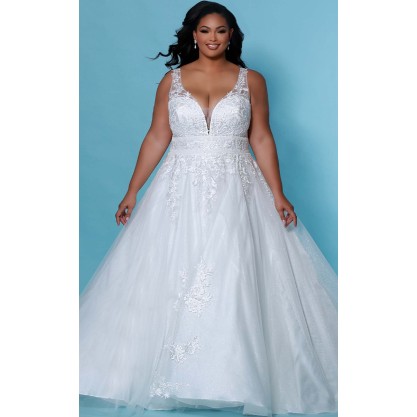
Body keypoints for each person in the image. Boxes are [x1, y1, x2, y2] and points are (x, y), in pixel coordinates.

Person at [79, 2, 338, 416]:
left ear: (231, 35)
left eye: (221, 30)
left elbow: (261, 137)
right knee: (174, 269)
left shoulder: (252, 81)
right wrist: (132, 190)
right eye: (205, 30)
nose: (213, 38)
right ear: (193, 35)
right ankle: (172, 374)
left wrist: (278, 193)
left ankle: (232, 376)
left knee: (233, 275)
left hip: (237, 188)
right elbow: (157, 136)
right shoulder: (172, 81)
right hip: (178, 189)